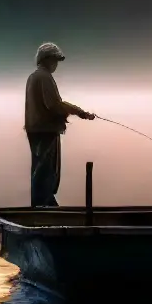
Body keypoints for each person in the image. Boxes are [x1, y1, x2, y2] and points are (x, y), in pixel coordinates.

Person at [24, 42, 95, 207]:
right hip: (45, 130)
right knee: (46, 171)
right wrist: (80, 112)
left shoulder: (33, 77)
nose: (56, 64)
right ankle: (44, 206)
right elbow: (54, 104)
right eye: (55, 60)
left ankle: (42, 204)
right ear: (47, 59)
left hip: (35, 129)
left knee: (40, 169)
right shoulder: (44, 77)